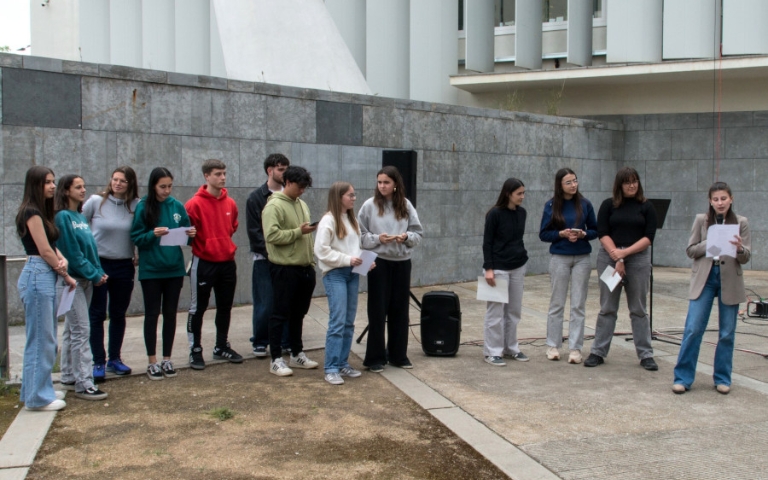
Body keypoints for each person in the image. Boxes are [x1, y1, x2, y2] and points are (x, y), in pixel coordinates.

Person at [672, 182, 750, 395]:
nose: (720, 203)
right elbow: (690, 250)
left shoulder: (741, 222)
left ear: (731, 199)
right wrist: (709, 242)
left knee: (727, 333)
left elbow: (746, 257)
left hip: (729, 279)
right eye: (716, 199)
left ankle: (722, 378)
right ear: (710, 201)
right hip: (705, 277)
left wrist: (739, 248)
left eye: (724, 198)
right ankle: (683, 378)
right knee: (693, 328)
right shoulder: (701, 220)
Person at [585, 167, 658, 370]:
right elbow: (602, 232)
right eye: (627, 182)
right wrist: (616, 255)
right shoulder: (608, 205)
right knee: (607, 307)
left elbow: (649, 237)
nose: (632, 185)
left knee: (638, 309)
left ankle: (645, 354)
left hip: (638, 259)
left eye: (635, 181)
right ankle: (598, 352)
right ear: (619, 185)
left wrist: (624, 254)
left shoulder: (647, 207)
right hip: (609, 258)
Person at [16, 166, 74, 411]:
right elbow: (43, 250)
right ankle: (38, 397)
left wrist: (62, 260)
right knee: (42, 339)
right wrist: (65, 274)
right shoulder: (31, 212)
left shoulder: (40, 212)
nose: (52, 186)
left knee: (44, 338)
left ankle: (36, 390)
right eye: (47, 182)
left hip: (43, 273)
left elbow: (50, 245)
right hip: (38, 274)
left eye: (53, 181)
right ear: (35, 185)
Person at [131, 168, 196, 380]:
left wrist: (191, 234)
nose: (167, 191)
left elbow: (187, 235)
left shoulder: (176, 205)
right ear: (153, 186)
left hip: (173, 269)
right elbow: (136, 237)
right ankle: (152, 361)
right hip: (151, 270)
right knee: (152, 314)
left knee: (170, 314)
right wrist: (153, 234)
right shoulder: (143, 206)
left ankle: (167, 358)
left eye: (169, 186)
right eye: (162, 187)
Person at [358, 166, 423, 372]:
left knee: (400, 310)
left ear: (395, 184)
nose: (382, 186)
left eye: (386, 182)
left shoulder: (406, 205)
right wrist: (378, 238)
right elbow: (359, 236)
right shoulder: (369, 205)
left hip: (402, 262)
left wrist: (406, 237)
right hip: (378, 262)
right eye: (379, 182)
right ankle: (375, 358)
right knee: (377, 310)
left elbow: (418, 234)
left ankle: (397, 355)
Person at [81, 166, 139, 381]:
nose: (117, 183)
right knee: (97, 313)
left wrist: (137, 252)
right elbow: (78, 226)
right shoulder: (96, 202)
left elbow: (139, 231)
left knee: (118, 313)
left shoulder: (136, 205)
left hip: (124, 265)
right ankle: (98, 361)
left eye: (122, 180)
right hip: (99, 264)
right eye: (115, 179)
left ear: (130, 183)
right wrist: (84, 256)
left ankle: (114, 358)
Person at [55, 174, 109, 401]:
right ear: (66, 190)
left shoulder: (79, 215)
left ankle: (69, 375)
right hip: (72, 281)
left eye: (84, 186)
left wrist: (97, 272)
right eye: (78, 187)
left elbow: (90, 248)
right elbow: (72, 252)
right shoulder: (62, 217)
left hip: (86, 280)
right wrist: (93, 273)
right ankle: (84, 382)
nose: (83, 190)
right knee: (81, 331)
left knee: (72, 329)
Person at [262, 166, 320, 376]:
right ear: (287, 182)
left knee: (298, 313)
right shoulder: (274, 205)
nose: (302, 191)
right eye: (299, 187)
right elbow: (271, 236)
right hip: (284, 268)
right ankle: (276, 358)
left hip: (305, 267)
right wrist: (298, 232)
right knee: (279, 313)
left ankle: (296, 353)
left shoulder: (301, 204)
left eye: (305, 187)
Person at [185, 159, 242, 370]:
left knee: (225, 307)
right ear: (207, 176)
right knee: (197, 308)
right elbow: (187, 234)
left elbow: (232, 227)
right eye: (218, 174)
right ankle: (195, 349)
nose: (223, 178)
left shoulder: (230, 203)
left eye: (224, 173)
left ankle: (221, 346)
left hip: (227, 263)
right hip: (204, 263)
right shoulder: (193, 204)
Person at [315, 182, 373, 385]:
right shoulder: (328, 220)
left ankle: (342, 363)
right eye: (350, 195)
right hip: (335, 274)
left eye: (354, 195)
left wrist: (365, 261)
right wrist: (348, 260)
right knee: (338, 321)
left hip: (352, 274)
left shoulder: (352, 219)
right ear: (339, 197)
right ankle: (331, 368)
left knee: (349, 322)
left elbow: (355, 247)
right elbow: (321, 250)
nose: (354, 198)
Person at [539, 168, 598, 364]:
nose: (573, 185)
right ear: (560, 185)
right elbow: (543, 234)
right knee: (557, 303)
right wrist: (561, 234)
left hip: (582, 257)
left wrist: (583, 234)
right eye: (569, 182)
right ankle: (553, 345)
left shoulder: (585, 204)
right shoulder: (551, 205)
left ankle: (575, 348)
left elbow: (595, 230)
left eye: (575, 181)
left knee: (578, 304)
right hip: (560, 256)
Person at [246, 153, 291, 358]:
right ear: (269, 170)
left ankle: (284, 340)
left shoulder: (290, 195)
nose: (284, 173)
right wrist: (272, 253)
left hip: (287, 259)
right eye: (281, 169)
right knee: (265, 302)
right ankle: (260, 340)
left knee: (286, 300)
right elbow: (255, 233)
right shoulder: (256, 198)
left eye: (286, 169)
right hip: (265, 259)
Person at [481, 178, 529, 367]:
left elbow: (518, 238)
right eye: (519, 193)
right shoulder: (494, 214)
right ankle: (492, 352)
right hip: (498, 268)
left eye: (523, 193)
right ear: (508, 194)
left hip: (518, 266)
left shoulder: (522, 213)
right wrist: (489, 269)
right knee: (495, 312)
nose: (522, 197)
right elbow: (487, 242)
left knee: (514, 311)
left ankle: (511, 348)